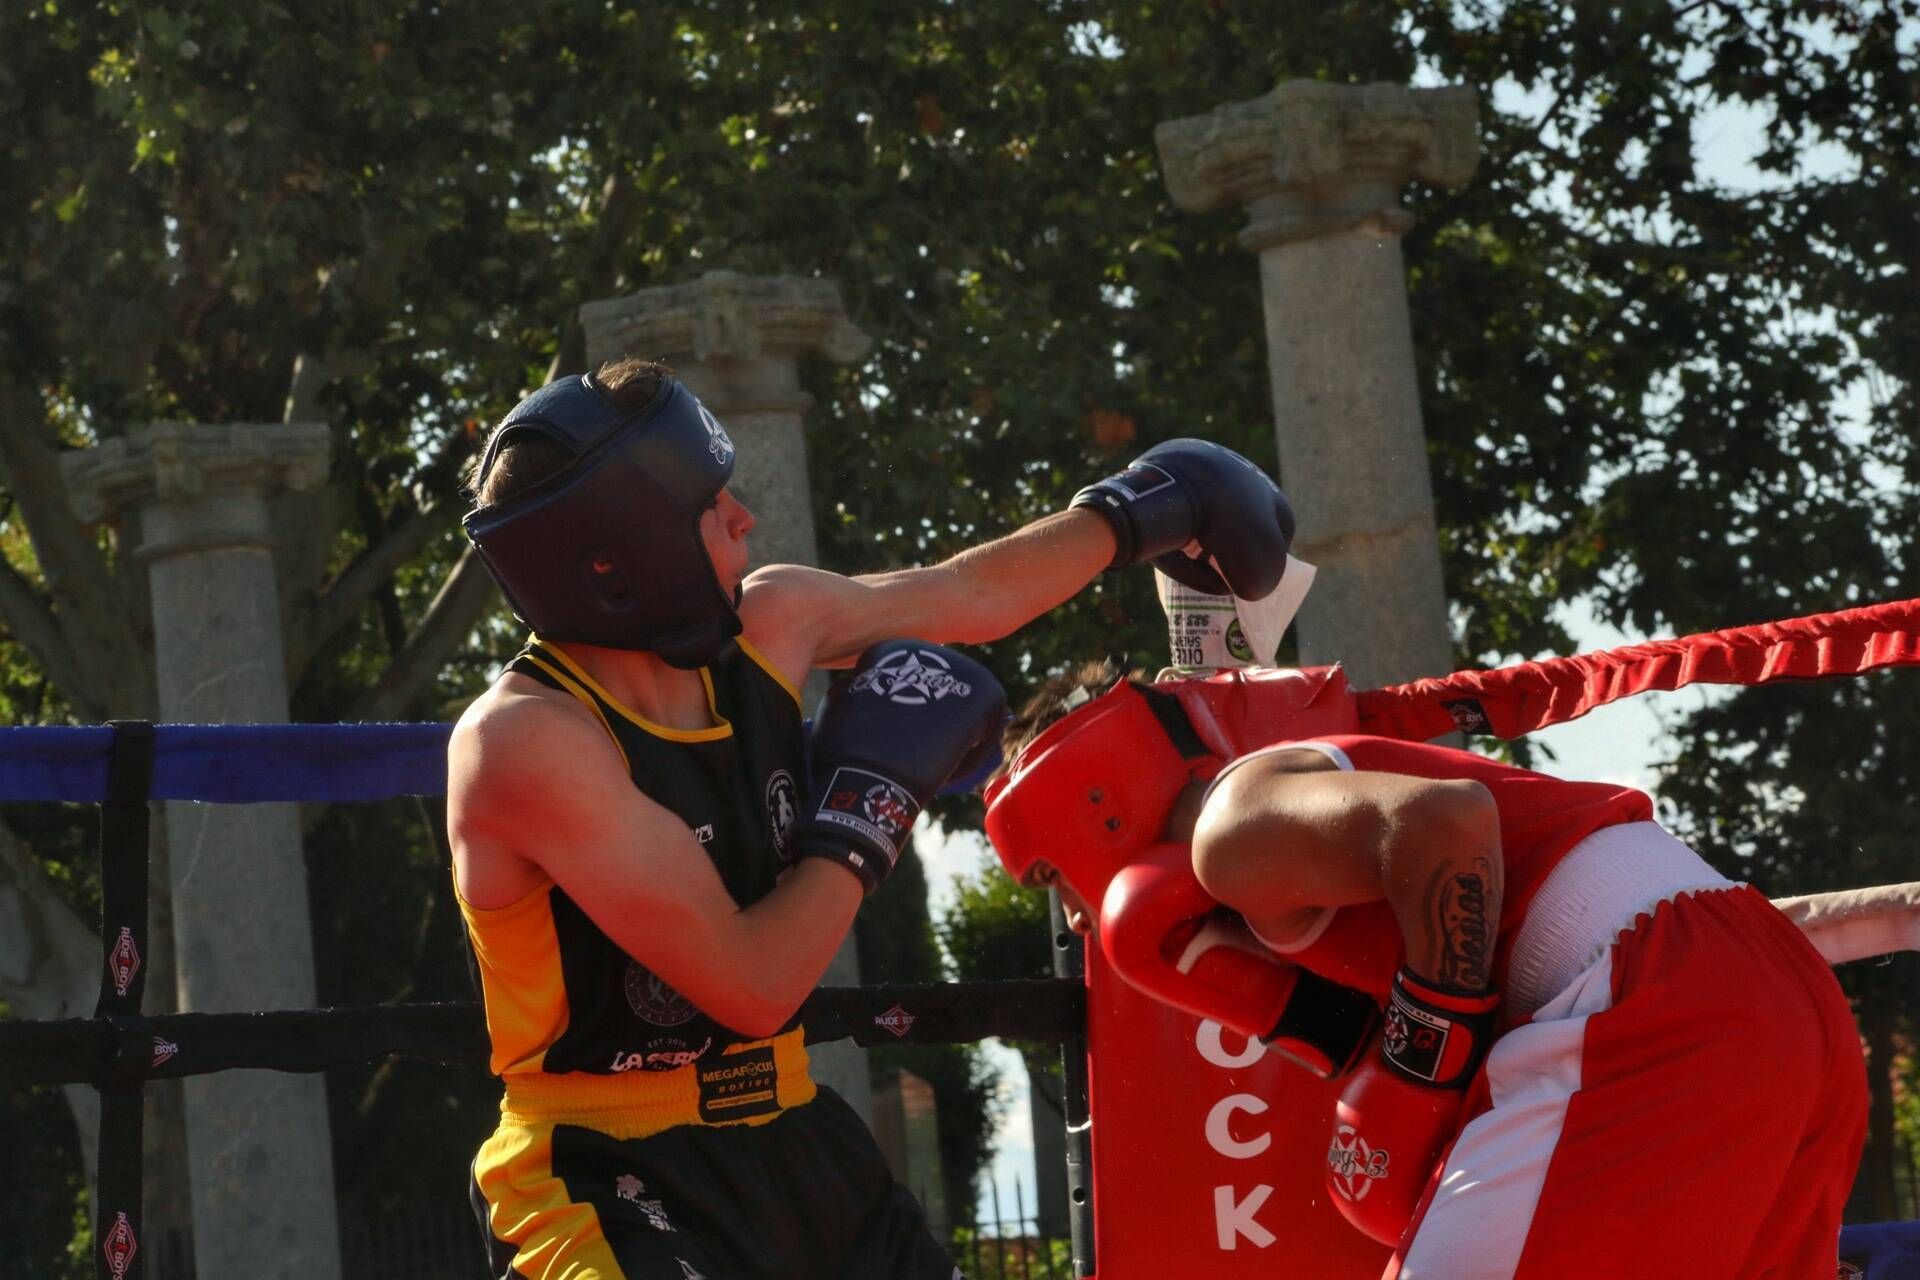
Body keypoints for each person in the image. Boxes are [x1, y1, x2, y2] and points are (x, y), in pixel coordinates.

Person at [445, 355, 1296, 1280]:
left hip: (797, 1130)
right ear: (626, 555)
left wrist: (1136, 511)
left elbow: (972, 595)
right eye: (712, 506)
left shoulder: (771, 623)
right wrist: (869, 801)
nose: (745, 518)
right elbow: (754, 985)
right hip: (606, 1174)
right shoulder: (527, 744)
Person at [984, 660, 1868, 1280]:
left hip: (1659, 1002)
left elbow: (1449, 825)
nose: (1070, 911)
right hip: (1770, 990)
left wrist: (1425, 1058)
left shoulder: (1233, 827)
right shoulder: (1259, 877)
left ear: (1092, 805)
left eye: (1054, 877)